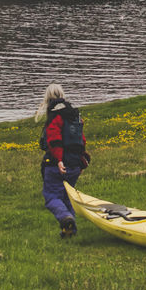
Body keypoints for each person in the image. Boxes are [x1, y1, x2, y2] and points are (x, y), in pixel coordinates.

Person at [36, 84, 90, 238]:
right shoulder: (75, 115)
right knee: (67, 198)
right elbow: (82, 139)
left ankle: (66, 218)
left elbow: (54, 140)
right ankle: (70, 230)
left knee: (52, 196)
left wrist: (59, 160)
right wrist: (80, 161)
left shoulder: (55, 115)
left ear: (47, 98)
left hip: (57, 165)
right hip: (74, 164)